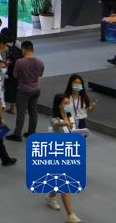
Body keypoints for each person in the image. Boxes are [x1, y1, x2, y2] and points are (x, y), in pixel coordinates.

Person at [47, 93, 83, 223]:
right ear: (59, 105)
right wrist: (65, 123)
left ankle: (51, 197)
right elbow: (57, 124)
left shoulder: (71, 117)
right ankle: (71, 215)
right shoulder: (54, 119)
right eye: (65, 103)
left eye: (69, 103)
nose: (68, 105)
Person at [8, 40, 44, 142]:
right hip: (35, 89)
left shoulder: (20, 62)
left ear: (23, 49)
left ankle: (17, 134)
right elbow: (40, 74)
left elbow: (15, 75)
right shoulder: (40, 62)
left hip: (23, 90)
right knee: (33, 112)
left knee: (21, 113)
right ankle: (31, 132)